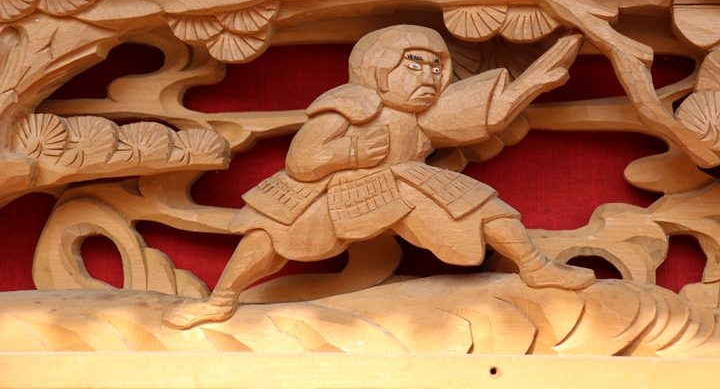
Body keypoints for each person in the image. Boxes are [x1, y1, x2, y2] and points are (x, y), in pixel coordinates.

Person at [164, 25, 595, 329]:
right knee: (269, 233)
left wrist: (535, 81)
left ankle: (535, 267)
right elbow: (302, 160)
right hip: (332, 189)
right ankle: (220, 300)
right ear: (378, 68)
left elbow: (488, 115)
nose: (428, 78)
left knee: (481, 205)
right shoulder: (350, 103)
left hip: (404, 182)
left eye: (436, 69)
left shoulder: (423, 115)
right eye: (414, 66)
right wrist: (351, 152)